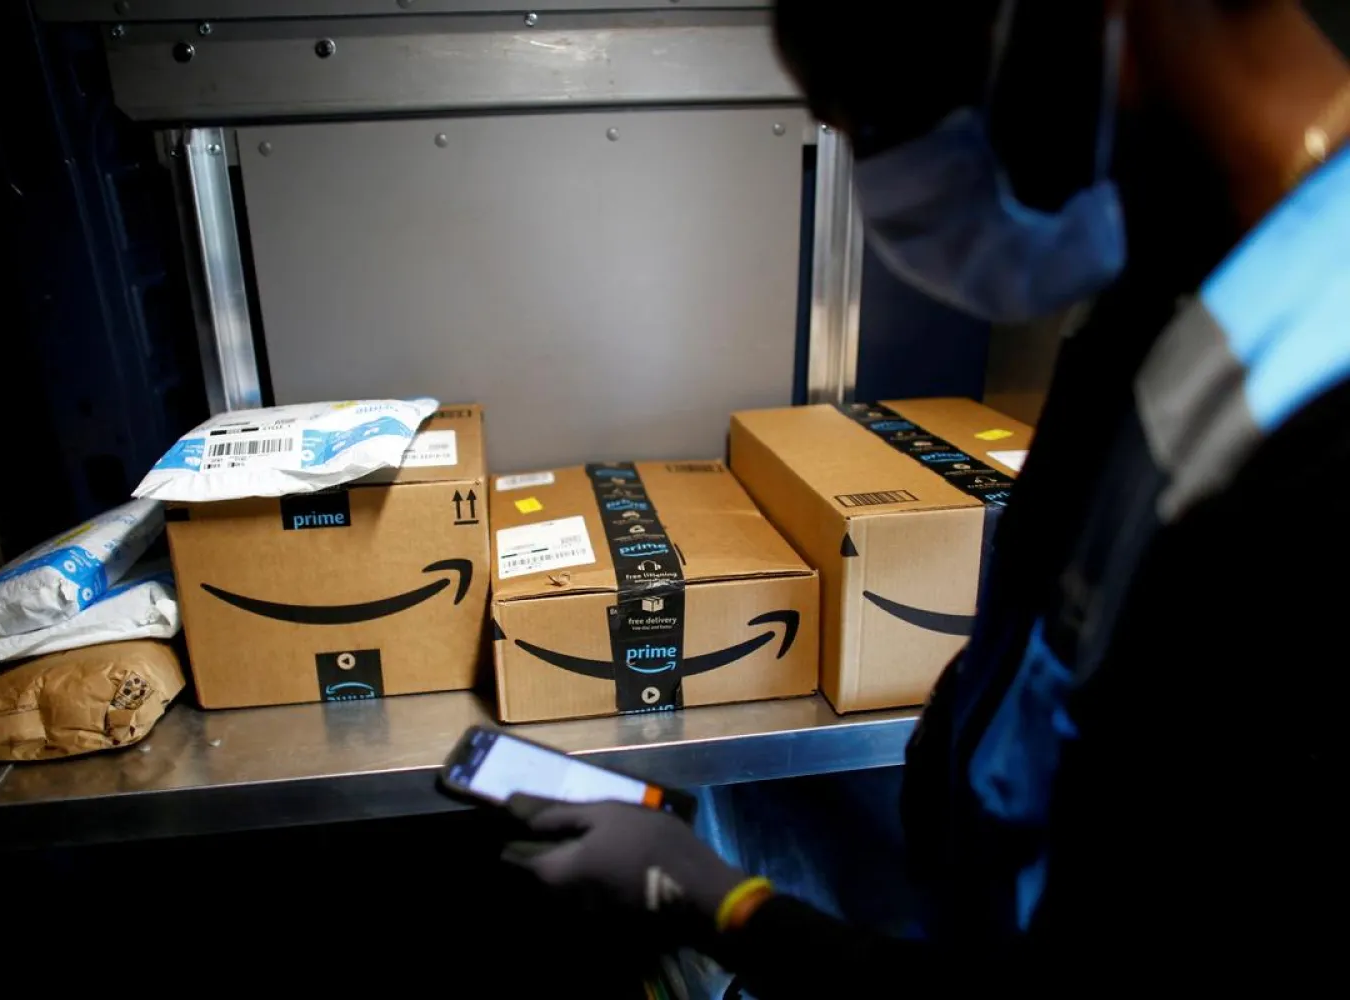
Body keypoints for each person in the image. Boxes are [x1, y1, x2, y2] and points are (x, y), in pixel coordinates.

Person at [501, 0, 1348, 989]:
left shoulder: (1315, 456)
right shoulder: (1168, 291)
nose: (880, 181)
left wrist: (725, 906)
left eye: (876, 117)